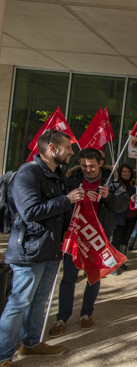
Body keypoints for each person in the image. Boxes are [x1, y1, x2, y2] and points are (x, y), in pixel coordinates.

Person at [0, 130, 84, 365]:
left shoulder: (58, 174)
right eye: (68, 147)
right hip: (29, 251)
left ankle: (31, 344)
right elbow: (29, 212)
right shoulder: (28, 172)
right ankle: (3, 355)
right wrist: (67, 199)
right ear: (52, 148)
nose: (71, 152)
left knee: (39, 301)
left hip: (50, 249)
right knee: (19, 302)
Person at [48, 148, 129, 338]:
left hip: (98, 237)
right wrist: (75, 198)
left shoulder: (113, 181)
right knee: (68, 278)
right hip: (74, 235)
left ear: (100, 163)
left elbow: (122, 205)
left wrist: (108, 197)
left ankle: (86, 313)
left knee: (94, 277)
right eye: (84, 165)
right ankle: (62, 317)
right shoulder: (72, 178)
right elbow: (60, 202)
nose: (88, 169)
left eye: (92, 166)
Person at [110, 163, 137, 275]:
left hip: (132, 216)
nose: (127, 173)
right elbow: (123, 195)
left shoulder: (133, 183)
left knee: (125, 240)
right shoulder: (117, 183)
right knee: (116, 240)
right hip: (120, 217)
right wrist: (133, 189)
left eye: (129, 171)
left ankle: (122, 261)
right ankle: (113, 264)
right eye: (124, 171)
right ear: (120, 173)